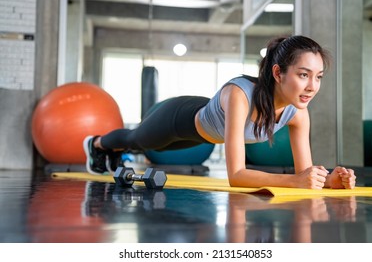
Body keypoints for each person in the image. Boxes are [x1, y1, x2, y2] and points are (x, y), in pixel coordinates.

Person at [83, 35, 356, 189]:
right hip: (180, 118)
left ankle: (108, 151)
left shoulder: (298, 114)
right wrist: (296, 181)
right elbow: (236, 175)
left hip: (203, 137)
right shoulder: (240, 95)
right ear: (278, 73)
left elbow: (304, 174)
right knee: (137, 140)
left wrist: (330, 179)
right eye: (304, 75)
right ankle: (97, 143)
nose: (312, 86)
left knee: (149, 146)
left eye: (318, 77)